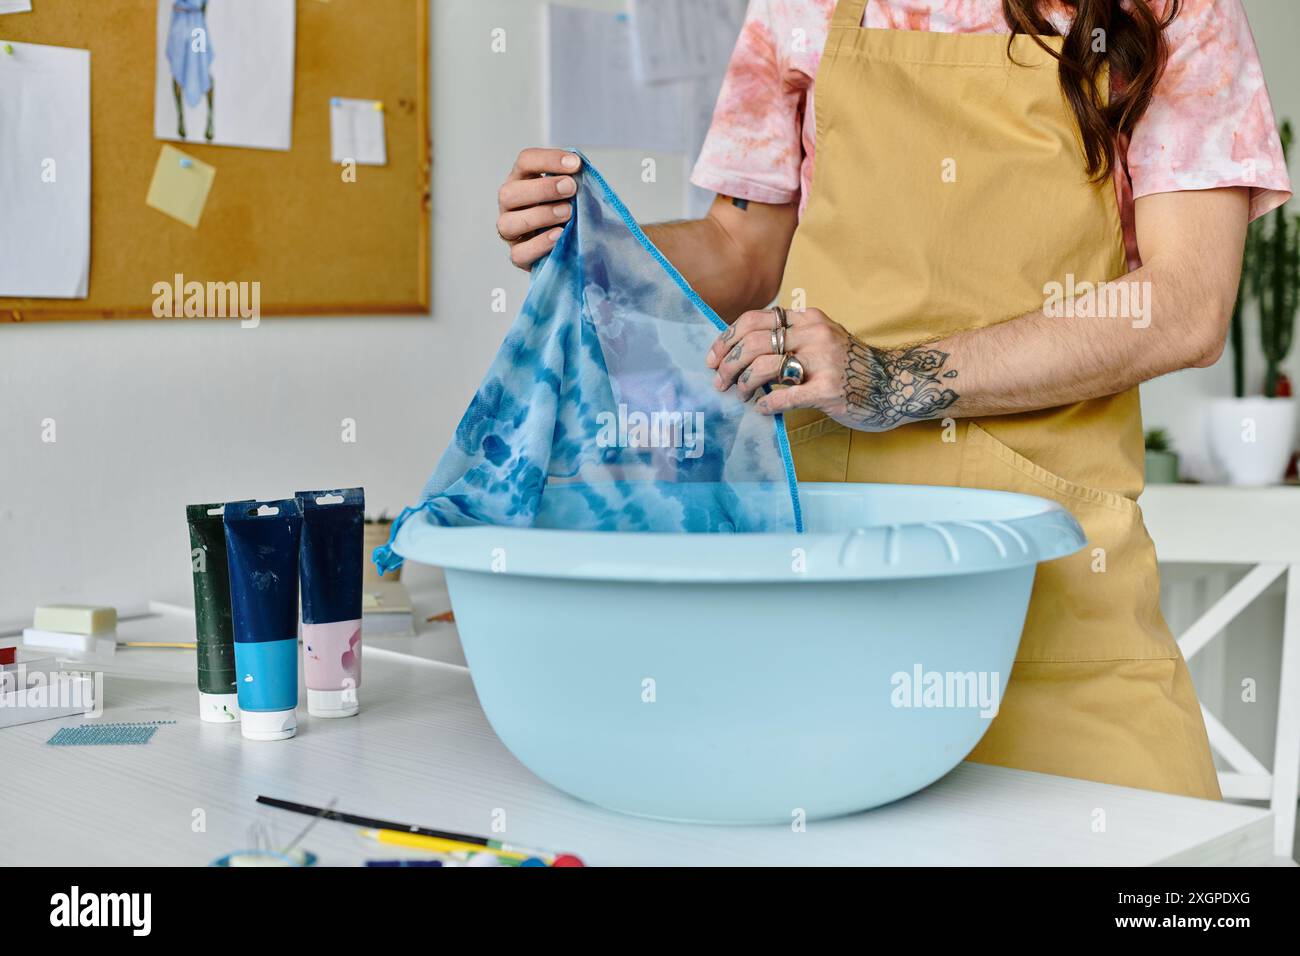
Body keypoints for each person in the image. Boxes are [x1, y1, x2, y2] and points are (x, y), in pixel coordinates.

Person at [495, 0, 1293, 800]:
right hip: (823, 595)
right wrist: (599, 244)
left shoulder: (1171, 10)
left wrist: (895, 381)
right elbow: (742, 251)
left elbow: (1186, 304)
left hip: (1056, 594)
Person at [167, 0, 215, 142]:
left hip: (196, 24)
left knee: (202, 66)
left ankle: (210, 118)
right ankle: (180, 118)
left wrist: (199, 19)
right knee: (178, 67)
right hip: (179, 22)